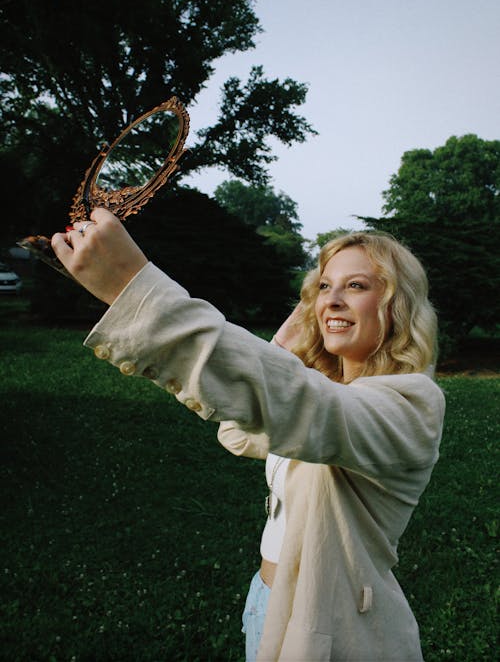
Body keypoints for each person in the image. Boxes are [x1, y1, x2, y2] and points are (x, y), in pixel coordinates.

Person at [52, 208, 445, 662]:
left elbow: (302, 404)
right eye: (324, 286)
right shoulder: (331, 392)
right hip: (266, 600)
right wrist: (282, 349)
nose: (332, 299)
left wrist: (133, 289)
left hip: (331, 628)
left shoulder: (410, 406)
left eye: (355, 286)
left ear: (396, 305)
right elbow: (240, 434)